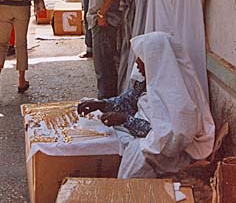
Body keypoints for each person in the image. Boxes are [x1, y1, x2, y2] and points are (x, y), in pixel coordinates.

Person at [78, 31, 215, 178]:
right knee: (103, 133)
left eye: (141, 60)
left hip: (171, 152)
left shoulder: (179, 97)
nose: (137, 65)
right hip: (147, 134)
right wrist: (101, 105)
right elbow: (129, 101)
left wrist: (126, 120)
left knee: (136, 154)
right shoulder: (146, 80)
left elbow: (170, 138)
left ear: (154, 61)